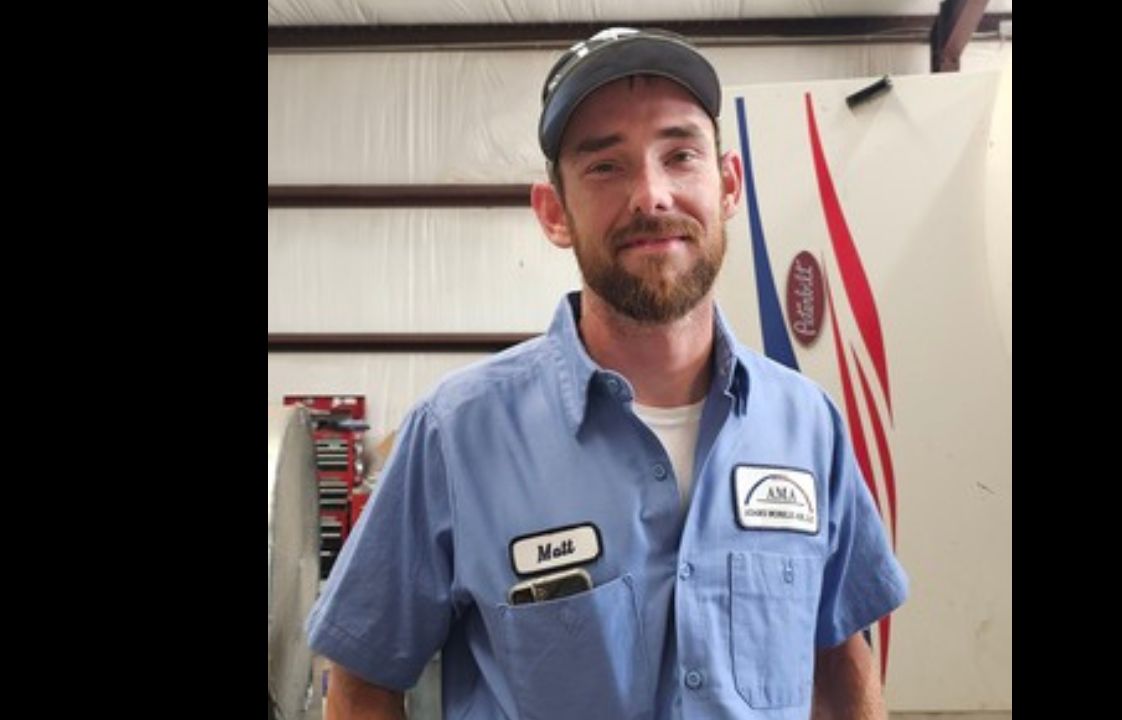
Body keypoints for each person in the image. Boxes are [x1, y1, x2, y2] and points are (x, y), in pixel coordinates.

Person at [306, 27, 908, 720]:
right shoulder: (456, 435)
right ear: (553, 213)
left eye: (680, 154)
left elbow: (838, 660)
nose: (651, 195)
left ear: (730, 185)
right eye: (605, 167)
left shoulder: (807, 426)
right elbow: (362, 681)